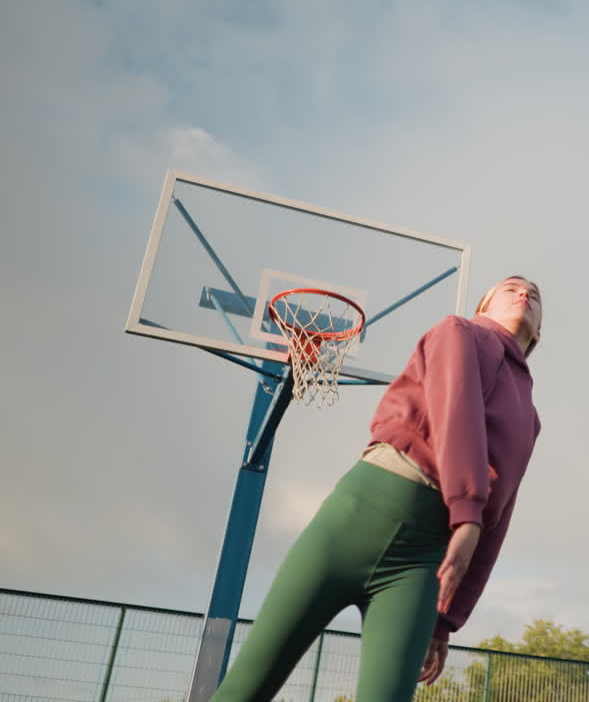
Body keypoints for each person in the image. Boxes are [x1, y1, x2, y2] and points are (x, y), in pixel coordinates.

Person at [209, 276, 543, 702]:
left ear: (538, 333)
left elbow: (498, 515)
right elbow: (455, 410)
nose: (524, 294)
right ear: (483, 307)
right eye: (511, 287)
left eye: (535, 296)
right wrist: (467, 511)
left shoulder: (529, 418)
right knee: (247, 687)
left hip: (421, 562)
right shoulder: (458, 331)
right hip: (354, 519)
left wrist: (446, 620)